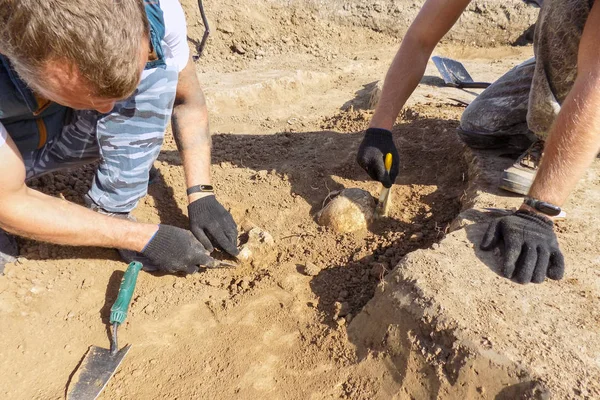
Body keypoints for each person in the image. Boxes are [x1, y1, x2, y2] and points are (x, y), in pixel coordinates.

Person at [356, 0, 600, 284]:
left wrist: (540, 209)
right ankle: (569, 125)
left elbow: (596, 78)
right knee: (482, 124)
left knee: (562, 9)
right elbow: (421, 38)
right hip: (581, 59)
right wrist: (380, 129)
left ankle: (553, 139)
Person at [0, 0, 239, 274]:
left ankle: (112, 209)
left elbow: (188, 100)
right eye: (89, 98)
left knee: (154, 78)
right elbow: (6, 200)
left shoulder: (159, 11)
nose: (110, 112)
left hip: (53, 115)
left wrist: (201, 194)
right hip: (15, 125)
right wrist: (139, 238)